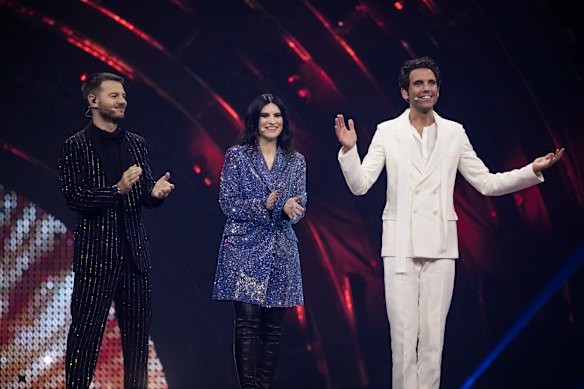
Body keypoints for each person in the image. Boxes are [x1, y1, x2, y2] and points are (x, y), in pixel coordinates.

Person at [334, 57, 564, 389]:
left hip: (441, 246)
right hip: (399, 246)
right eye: (418, 83)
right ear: (404, 92)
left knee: (432, 342)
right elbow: (360, 185)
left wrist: (532, 170)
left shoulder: (454, 133)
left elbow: (486, 182)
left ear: (437, 90)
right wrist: (349, 152)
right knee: (403, 341)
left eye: (431, 83)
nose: (425, 88)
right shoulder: (387, 132)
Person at [58, 72, 174, 388]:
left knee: (137, 344)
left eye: (123, 95)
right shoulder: (76, 146)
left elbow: (144, 189)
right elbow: (74, 195)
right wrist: (116, 190)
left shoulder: (136, 143)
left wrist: (154, 192)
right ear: (93, 101)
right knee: (84, 339)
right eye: (114, 95)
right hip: (96, 259)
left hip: (135, 259)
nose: (122, 101)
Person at [212, 94, 307, 389]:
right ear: (255, 121)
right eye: (265, 116)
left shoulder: (295, 161)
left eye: (277, 116)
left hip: (280, 247)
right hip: (243, 247)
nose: (272, 121)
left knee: (273, 328)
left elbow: (300, 204)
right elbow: (227, 202)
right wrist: (263, 205)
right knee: (247, 322)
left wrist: (291, 210)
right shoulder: (238, 156)